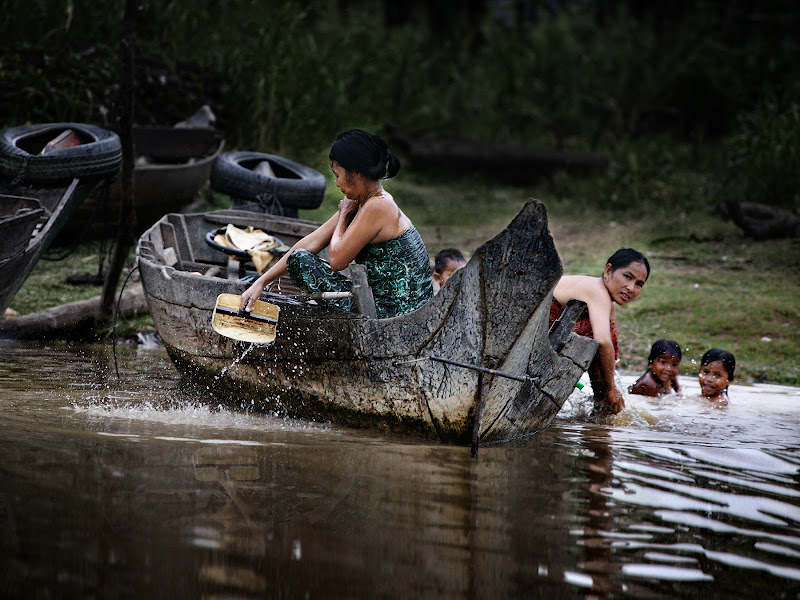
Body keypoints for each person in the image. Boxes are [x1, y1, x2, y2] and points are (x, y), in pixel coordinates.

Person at [239, 129, 433, 319]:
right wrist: (261, 282)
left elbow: (337, 261)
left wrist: (343, 216)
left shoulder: (379, 206)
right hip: (386, 306)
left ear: (356, 173)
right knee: (299, 257)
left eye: (337, 174)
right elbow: (311, 242)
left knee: (300, 261)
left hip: (397, 316)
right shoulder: (366, 201)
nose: (337, 183)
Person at [549, 248, 650, 415]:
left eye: (639, 284)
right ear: (608, 271)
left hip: (548, 333)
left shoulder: (607, 303)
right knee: (606, 333)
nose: (631, 288)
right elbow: (602, 340)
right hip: (532, 329)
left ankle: (603, 409)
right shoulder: (597, 290)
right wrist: (611, 388)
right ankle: (605, 405)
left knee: (604, 332)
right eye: (627, 276)